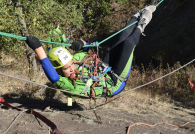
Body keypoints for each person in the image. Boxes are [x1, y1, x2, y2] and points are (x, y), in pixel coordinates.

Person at [26, 6, 156, 98]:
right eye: (67, 68)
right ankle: (142, 24)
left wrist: (81, 43)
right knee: (128, 44)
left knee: (121, 40)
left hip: (101, 71)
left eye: (72, 64)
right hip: (115, 83)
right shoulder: (66, 84)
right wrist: (38, 48)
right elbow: (52, 76)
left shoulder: (72, 63)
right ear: (58, 70)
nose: (72, 68)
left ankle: (137, 15)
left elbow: (86, 46)